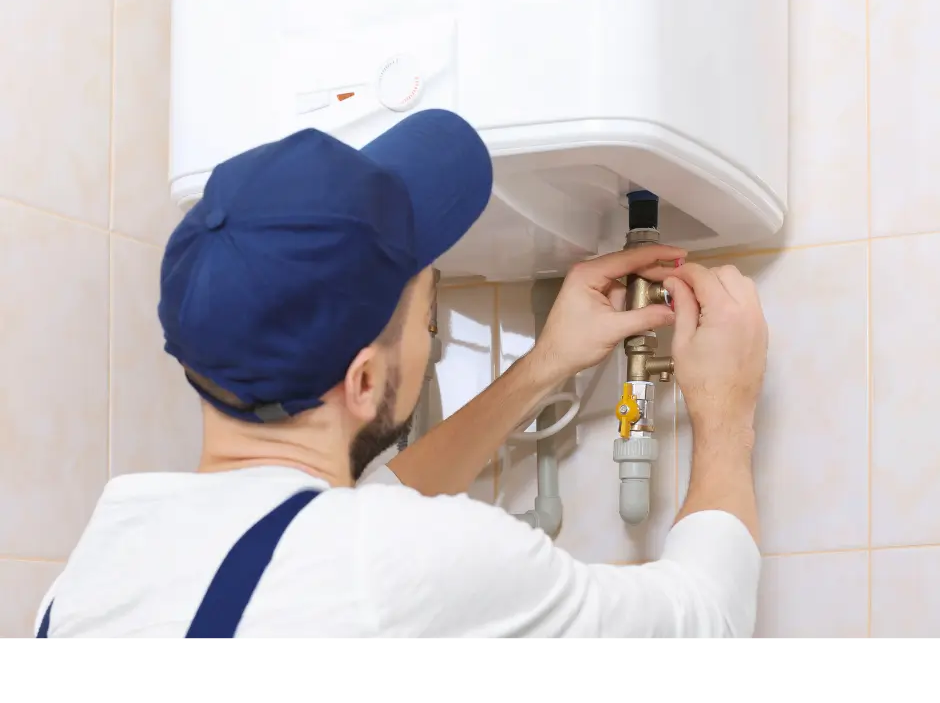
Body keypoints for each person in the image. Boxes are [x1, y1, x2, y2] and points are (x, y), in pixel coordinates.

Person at [33, 110, 768, 643]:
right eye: (427, 306)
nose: (429, 328)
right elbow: (706, 621)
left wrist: (545, 365)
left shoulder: (105, 562)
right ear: (360, 381)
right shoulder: (399, 565)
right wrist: (725, 412)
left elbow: (344, 522)